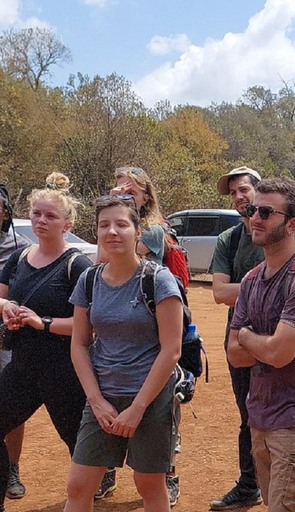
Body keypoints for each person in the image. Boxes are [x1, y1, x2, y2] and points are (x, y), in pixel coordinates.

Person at [64, 194, 183, 512]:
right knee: (79, 486)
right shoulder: (89, 280)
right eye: (104, 225)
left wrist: (138, 408)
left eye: (121, 224)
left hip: (151, 398)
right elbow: (79, 344)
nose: (112, 232)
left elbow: (171, 351)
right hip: (103, 397)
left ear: (137, 231)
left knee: (149, 485)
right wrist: (96, 400)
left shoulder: (157, 280)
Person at [227, 177, 295, 512]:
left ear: (292, 224)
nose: (254, 217)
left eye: (265, 212)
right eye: (251, 209)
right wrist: (258, 342)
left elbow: (277, 353)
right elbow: (234, 355)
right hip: (260, 416)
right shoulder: (250, 279)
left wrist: (247, 335)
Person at [0, 173, 92, 512]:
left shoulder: (77, 265)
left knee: (80, 447)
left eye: (50, 216)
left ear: (66, 224)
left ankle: (86, 497)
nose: (41, 220)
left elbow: (89, 328)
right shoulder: (19, 258)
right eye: (36, 214)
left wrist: (43, 322)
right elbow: (1, 298)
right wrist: (8, 308)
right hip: (22, 367)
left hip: (63, 372)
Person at [99, 165, 184, 505]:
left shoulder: (150, 229)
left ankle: (168, 474)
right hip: (123, 316)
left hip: (152, 317)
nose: (123, 196)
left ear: (146, 196)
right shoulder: (121, 224)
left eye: (130, 192)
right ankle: (108, 469)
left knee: (161, 402)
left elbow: (108, 256)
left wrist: (113, 217)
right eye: (118, 190)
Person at [208, 166, 265, 510]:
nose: (239, 197)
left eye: (244, 189)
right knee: (247, 413)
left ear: (259, 190)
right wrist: (264, 284)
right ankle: (249, 484)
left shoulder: (276, 231)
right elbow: (218, 292)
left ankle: (275, 479)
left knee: (280, 411)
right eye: (233, 193)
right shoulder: (228, 240)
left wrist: (241, 289)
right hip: (239, 339)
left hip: (281, 338)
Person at [0, 183, 30, 502]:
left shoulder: (20, 249)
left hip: (7, 340)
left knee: (11, 407)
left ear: (5, 212)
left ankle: (12, 469)